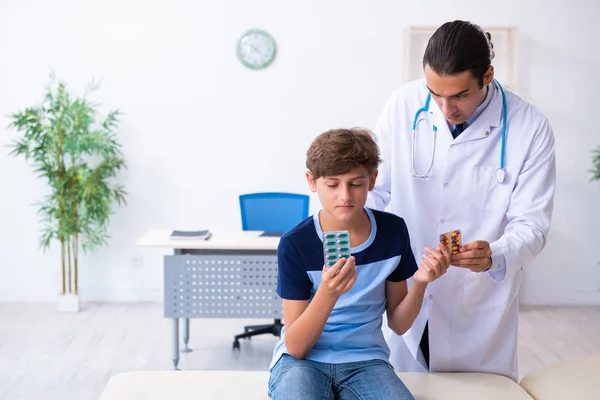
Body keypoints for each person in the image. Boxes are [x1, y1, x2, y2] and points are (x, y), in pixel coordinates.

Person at [367, 20, 556, 381]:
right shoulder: (403, 104)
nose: (445, 108)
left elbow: (532, 225)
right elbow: (377, 191)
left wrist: (495, 254)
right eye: (435, 93)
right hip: (406, 289)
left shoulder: (530, 126)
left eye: (460, 96)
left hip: (478, 304)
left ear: (488, 75)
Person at [267, 128, 452, 400]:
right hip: (302, 363)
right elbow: (295, 347)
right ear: (311, 181)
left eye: (355, 184)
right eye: (333, 185)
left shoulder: (393, 231)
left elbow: (399, 325)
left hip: (366, 361)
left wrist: (421, 283)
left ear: (373, 180)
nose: (345, 196)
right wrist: (328, 294)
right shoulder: (296, 243)